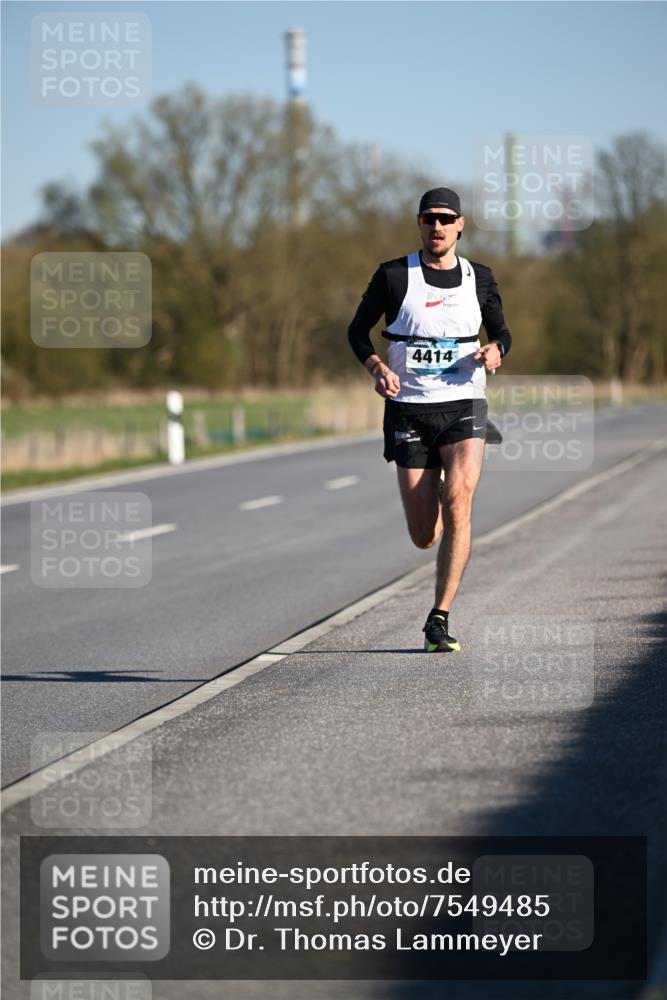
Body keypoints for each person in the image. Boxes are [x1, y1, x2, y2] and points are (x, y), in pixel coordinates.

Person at [347, 187, 512, 652]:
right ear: (419, 224)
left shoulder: (479, 278)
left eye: (445, 219)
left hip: (464, 405)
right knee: (424, 535)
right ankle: (436, 512)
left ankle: (438, 617)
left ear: (460, 224)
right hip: (409, 412)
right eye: (428, 218)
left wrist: (497, 349)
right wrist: (377, 367)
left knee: (459, 498)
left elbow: (502, 332)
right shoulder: (394, 276)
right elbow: (356, 332)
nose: (436, 226)